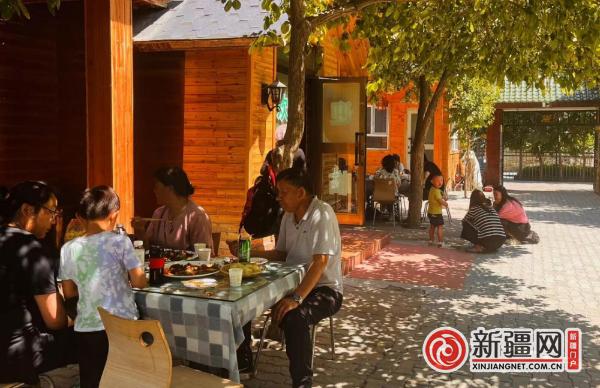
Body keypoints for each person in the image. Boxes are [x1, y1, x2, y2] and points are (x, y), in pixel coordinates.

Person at [229, 167, 343, 387]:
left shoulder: (322, 213)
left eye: (283, 192)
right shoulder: (288, 217)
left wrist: (296, 299)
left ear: (301, 193)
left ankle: (302, 382)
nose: (279, 197)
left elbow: (320, 263)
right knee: (241, 293)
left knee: (295, 317)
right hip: (290, 282)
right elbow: (281, 254)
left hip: (325, 289)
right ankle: (243, 360)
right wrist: (249, 251)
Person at [60, 186, 147, 388]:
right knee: (125, 380)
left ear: (79, 217)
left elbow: (69, 292)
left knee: (92, 381)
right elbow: (139, 281)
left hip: (87, 329)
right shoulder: (120, 241)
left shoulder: (68, 249)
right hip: (122, 325)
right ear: (114, 215)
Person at [0, 181, 76, 384]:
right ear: (27, 210)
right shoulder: (32, 250)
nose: (53, 220)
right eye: (51, 212)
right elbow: (55, 320)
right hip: (19, 357)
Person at [133, 166, 213, 253]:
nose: (154, 190)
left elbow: (204, 256)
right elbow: (147, 251)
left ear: (170, 189)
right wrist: (140, 230)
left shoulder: (197, 216)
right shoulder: (159, 213)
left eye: (156, 186)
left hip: (189, 266)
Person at [427, 175, 448, 247]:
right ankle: (440, 242)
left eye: (441, 181)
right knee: (440, 227)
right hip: (437, 213)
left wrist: (444, 197)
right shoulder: (436, 191)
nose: (440, 183)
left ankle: (431, 240)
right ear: (432, 182)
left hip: (430, 212)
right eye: (437, 181)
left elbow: (441, 196)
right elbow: (440, 200)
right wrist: (445, 204)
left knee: (432, 226)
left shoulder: (432, 189)